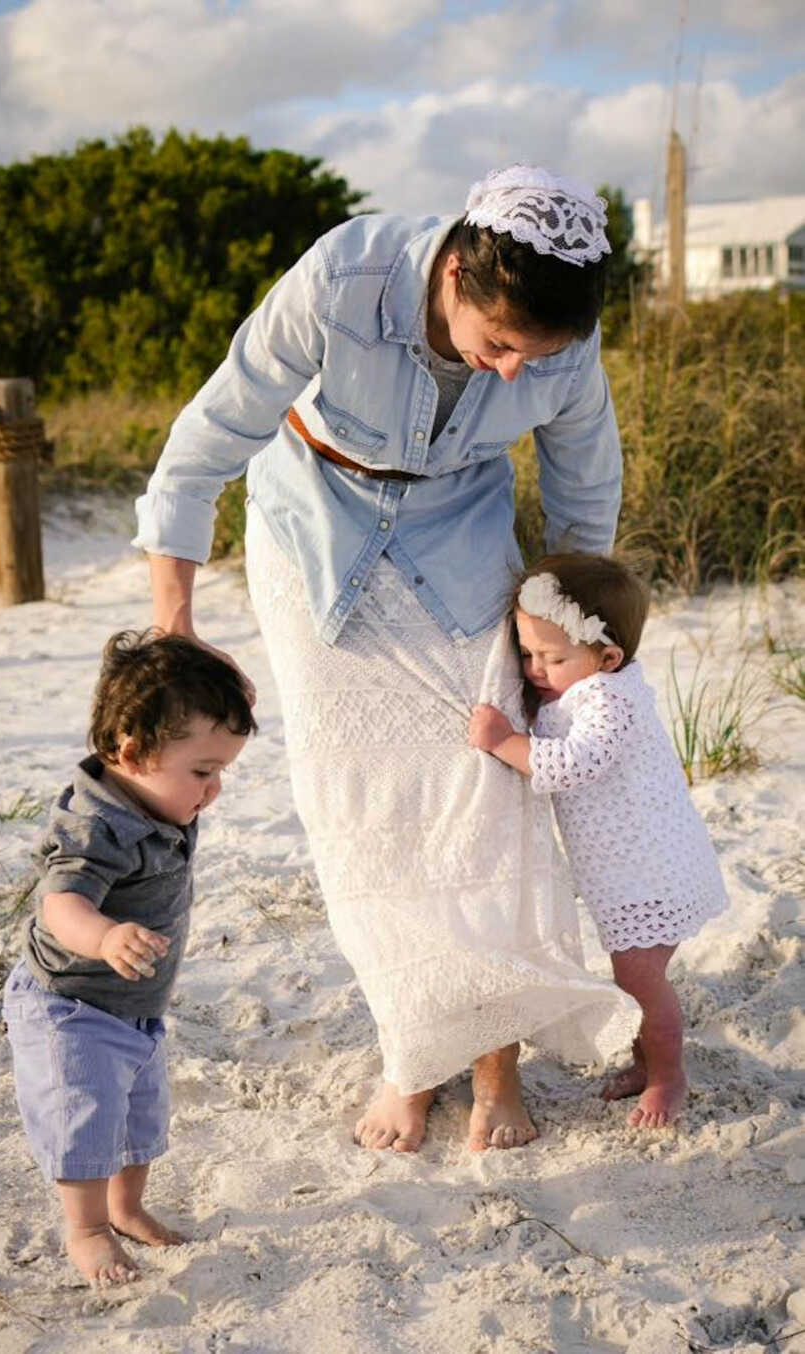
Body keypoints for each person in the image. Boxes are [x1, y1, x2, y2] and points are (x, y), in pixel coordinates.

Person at [134, 164, 638, 1155]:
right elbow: (208, 439)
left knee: (490, 779)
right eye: (496, 344)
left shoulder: (564, 353)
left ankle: (496, 1058)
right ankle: (413, 1049)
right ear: (454, 272)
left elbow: (584, 506)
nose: (508, 373)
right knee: (358, 800)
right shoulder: (342, 278)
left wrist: (572, 648)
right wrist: (175, 620)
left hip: (461, 523)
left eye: (529, 359)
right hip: (315, 516)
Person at [3, 631, 256, 1286]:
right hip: (72, 1004)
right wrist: (106, 937)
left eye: (221, 770)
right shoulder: (97, 826)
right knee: (86, 1117)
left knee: (141, 1113)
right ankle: (85, 1227)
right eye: (203, 771)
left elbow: (211, 704)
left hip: (134, 1006)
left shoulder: (156, 791)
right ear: (131, 752)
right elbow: (59, 905)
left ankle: (127, 1206)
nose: (213, 789)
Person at [468, 553, 728, 1128]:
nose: (535, 669)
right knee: (634, 980)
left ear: (607, 657)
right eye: (528, 653)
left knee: (642, 984)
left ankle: (667, 1075)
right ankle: (647, 1061)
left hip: (650, 875)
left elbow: (576, 762)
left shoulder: (608, 699)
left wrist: (504, 741)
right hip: (632, 871)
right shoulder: (584, 686)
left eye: (552, 658)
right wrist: (545, 689)